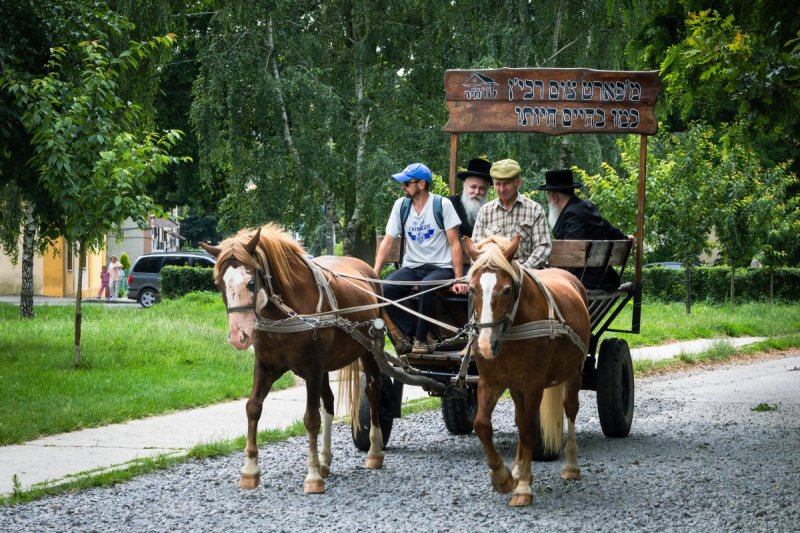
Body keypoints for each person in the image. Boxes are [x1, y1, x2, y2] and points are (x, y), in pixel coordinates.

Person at [373, 162, 466, 354]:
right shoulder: (401, 206)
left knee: (426, 287)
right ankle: (418, 332)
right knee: (384, 289)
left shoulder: (442, 205)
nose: (403, 187)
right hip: (413, 266)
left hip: (441, 267)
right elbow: (388, 241)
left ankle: (421, 340)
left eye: (407, 183)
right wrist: (374, 274)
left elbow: (455, 244)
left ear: (422, 184)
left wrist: (458, 279)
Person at [538, 168, 630, 288]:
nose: (548, 201)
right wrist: (626, 238)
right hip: (606, 276)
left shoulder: (571, 215)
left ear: (555, 197)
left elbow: (573, 255)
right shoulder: (587, 206)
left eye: (548, 197)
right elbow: (610, 230)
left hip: (585, 280)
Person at [471, 158, 551, 269]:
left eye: (506, 184)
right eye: (498, 184)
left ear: (518, 182)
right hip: (494, 273)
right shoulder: (485, 211)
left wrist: (523, 269)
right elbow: (476, 247)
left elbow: (543, 246)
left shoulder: (534, 210)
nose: (501, 189)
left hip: (526, 271)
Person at [448, 158, 492, 238]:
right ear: (464, 185)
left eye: (482, 188)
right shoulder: (449, 204)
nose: (477, 192)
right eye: (473, 187)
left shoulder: (491, 211)